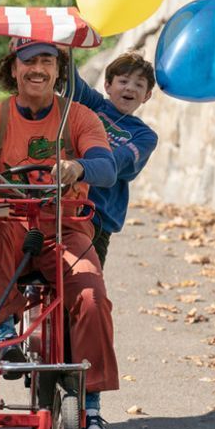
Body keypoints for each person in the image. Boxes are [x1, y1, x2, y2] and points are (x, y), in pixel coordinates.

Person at [0, 37, 119, 429]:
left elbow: (106, 166)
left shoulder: (79, 117)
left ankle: (92, 404)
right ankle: (7, 336)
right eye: (29, 61)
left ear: (59, 70)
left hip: (61, 226)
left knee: (92, 295)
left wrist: (78, 166)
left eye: (47, 61)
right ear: (13, 68)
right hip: (8, 221)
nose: (38, 69)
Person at [72, 51, 159, 267]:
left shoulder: (145, 136)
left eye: (139, 85)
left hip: (97, 218)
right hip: (62, 206)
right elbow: (69, 80)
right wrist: (64, 48)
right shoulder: (94, 105)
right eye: (123, 81)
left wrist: (79, 167)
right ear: (108, 85)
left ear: (146, 96)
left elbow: (114, 163)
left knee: (87, 279)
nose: (130, 87)